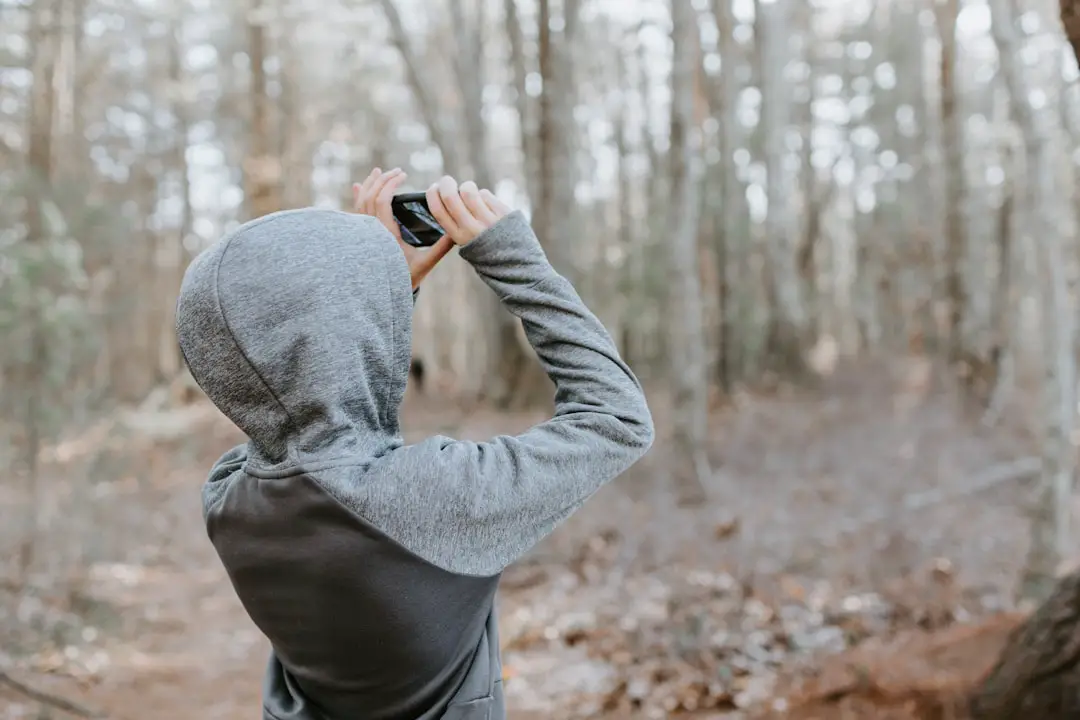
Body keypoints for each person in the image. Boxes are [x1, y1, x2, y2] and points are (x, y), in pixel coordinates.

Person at [174, 168, 654, 720]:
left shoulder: (229, 499)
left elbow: (312, 419)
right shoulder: (435, 498)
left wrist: (379, 290)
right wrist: (512, 258)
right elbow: (617, 417)